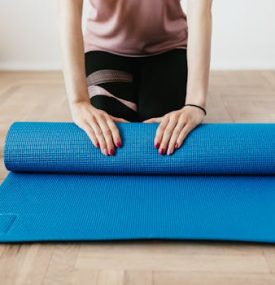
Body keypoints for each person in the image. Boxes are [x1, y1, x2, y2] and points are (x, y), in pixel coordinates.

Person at [58, 0, 212, 156]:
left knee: (164, 133)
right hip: (104, 49)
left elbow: (200, 9)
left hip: (169, 48)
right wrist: (79, 101)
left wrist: (195, 104)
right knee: (107, 129)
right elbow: (68, 10)